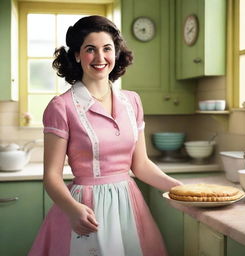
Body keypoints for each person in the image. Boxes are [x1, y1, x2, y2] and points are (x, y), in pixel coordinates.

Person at [28, 15, 183, 256]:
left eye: (107, 49)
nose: (100, 58)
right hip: (85, 207)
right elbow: (51, 176)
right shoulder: (62, 106)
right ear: (77, 55)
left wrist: (181, 189)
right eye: (90, 49)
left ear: (116, 53)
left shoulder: (132, 101)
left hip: (129, 205)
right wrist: (72, 210)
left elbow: (140, 165)